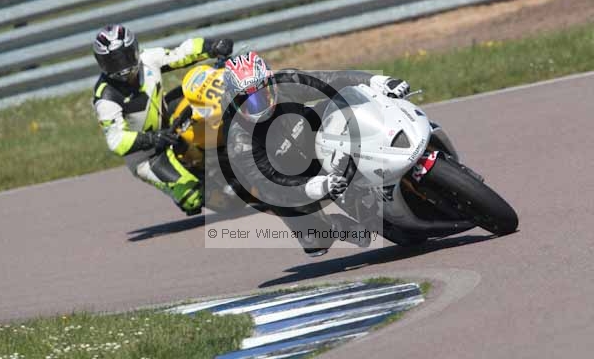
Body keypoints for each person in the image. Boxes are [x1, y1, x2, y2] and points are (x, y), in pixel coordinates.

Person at [222, 51, 410, 256]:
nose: (257, 106)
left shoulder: (287, 82)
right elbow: (266, 182)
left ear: (271, 83)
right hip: (289, 175)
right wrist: (311, 187)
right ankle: (336, 227)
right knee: (315, 242)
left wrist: (376, 81)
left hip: (311, 133)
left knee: (350, 102)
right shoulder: (238, 141)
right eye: (247, 101)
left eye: (261, 95)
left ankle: (399, 139)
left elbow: (331, 79)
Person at [92, 23, 233, 214]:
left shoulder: (148, 59)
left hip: (169, 120)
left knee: (208, 97)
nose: (122, 67)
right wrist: (153, 138)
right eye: (113, 62)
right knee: (193, 198)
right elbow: (116, 141)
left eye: (125, 57)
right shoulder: (105, 97)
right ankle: (206, 181)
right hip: (147, 155)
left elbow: (181, 53)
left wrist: (212, 46)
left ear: (134, 50)